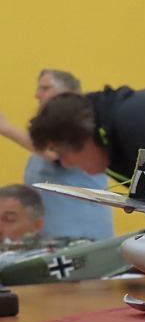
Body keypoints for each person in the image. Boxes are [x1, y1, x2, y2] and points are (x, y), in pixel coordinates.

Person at [0, 70, 114, 241]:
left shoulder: (77, 128)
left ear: (68, 94)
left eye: (45, 88)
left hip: (82, 238)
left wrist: (4, 128)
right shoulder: (42, 146)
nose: (37, 95)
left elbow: (52, 153)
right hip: (53, 240)